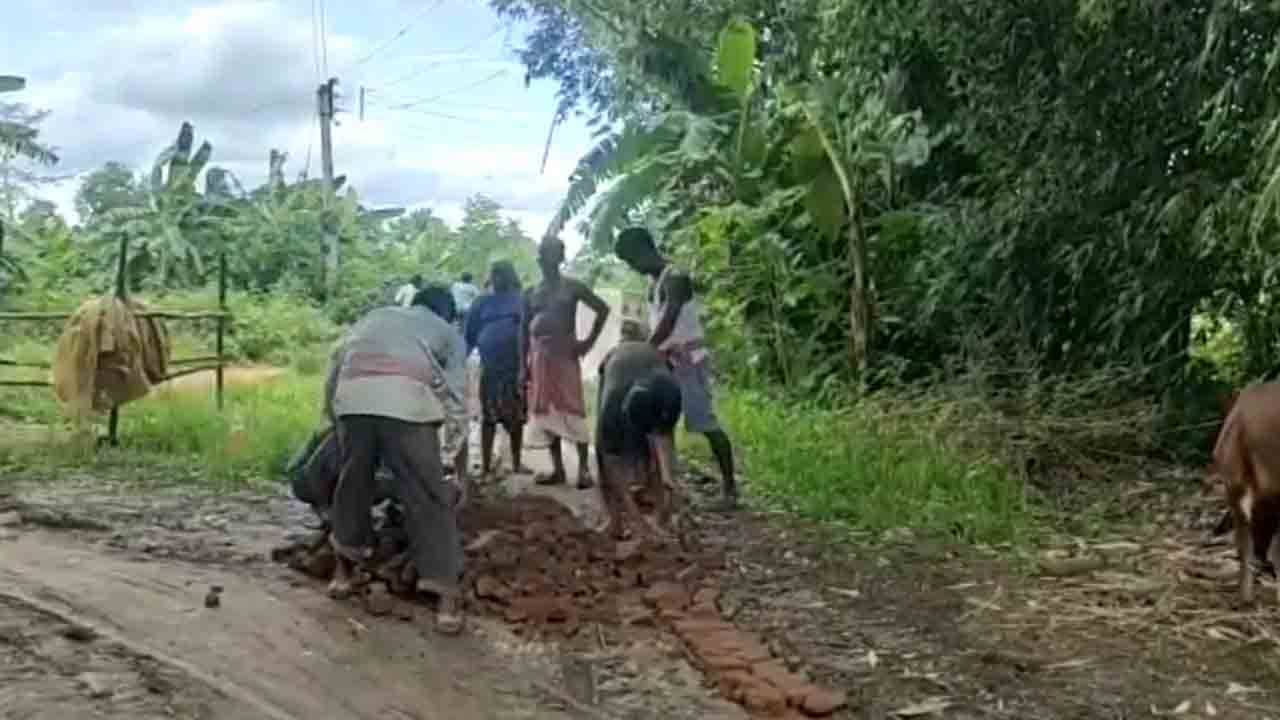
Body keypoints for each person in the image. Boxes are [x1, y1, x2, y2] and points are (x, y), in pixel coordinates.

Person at [324, 283, 468, 634]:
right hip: (406, 404)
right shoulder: (447, 331)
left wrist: (335, 415)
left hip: (352, 401)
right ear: (446, 312)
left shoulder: (375, 317)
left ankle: (342, 575)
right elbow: (457, 398)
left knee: (352, 485)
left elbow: (337, 363)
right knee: (428, 495)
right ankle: (446, 598)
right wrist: (454, 465)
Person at [614, 227, 738, 511]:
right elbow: (657, 325)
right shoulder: (653, 283)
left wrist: (643, 349)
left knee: (704, 422)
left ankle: (730, 491)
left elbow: (668, 321)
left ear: (644, 250)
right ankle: (662, 483)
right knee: (656, 419)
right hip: (665, 360)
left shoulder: (676, 278)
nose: (631, 266)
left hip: (688, 361)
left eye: (631, 260)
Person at [524, 235, 610, 489]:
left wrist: (587, 342)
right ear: (539, 259)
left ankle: (584, 469)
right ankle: (558, 469)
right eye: (544, 253)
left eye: (554, 253)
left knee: (572, 408)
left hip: (565, 354)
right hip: (540, 356)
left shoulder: (572, 287)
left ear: (560, 258)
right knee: (548, 412)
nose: (547, 258)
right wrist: (523, 364)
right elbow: (523, 329)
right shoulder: (532, 292)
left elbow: (602, 309)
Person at [464, 260, 531, 479]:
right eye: (495, 274)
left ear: (510, 276)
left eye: (502, 274)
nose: (498, 278)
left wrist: (527, 365)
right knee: (488, 417)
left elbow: (530, 332)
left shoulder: (520, 301)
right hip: (490, 367)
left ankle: (517, 462)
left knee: (517, 417)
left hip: (515, 366)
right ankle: (485, 465)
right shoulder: (481, 303)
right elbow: (470, 335)